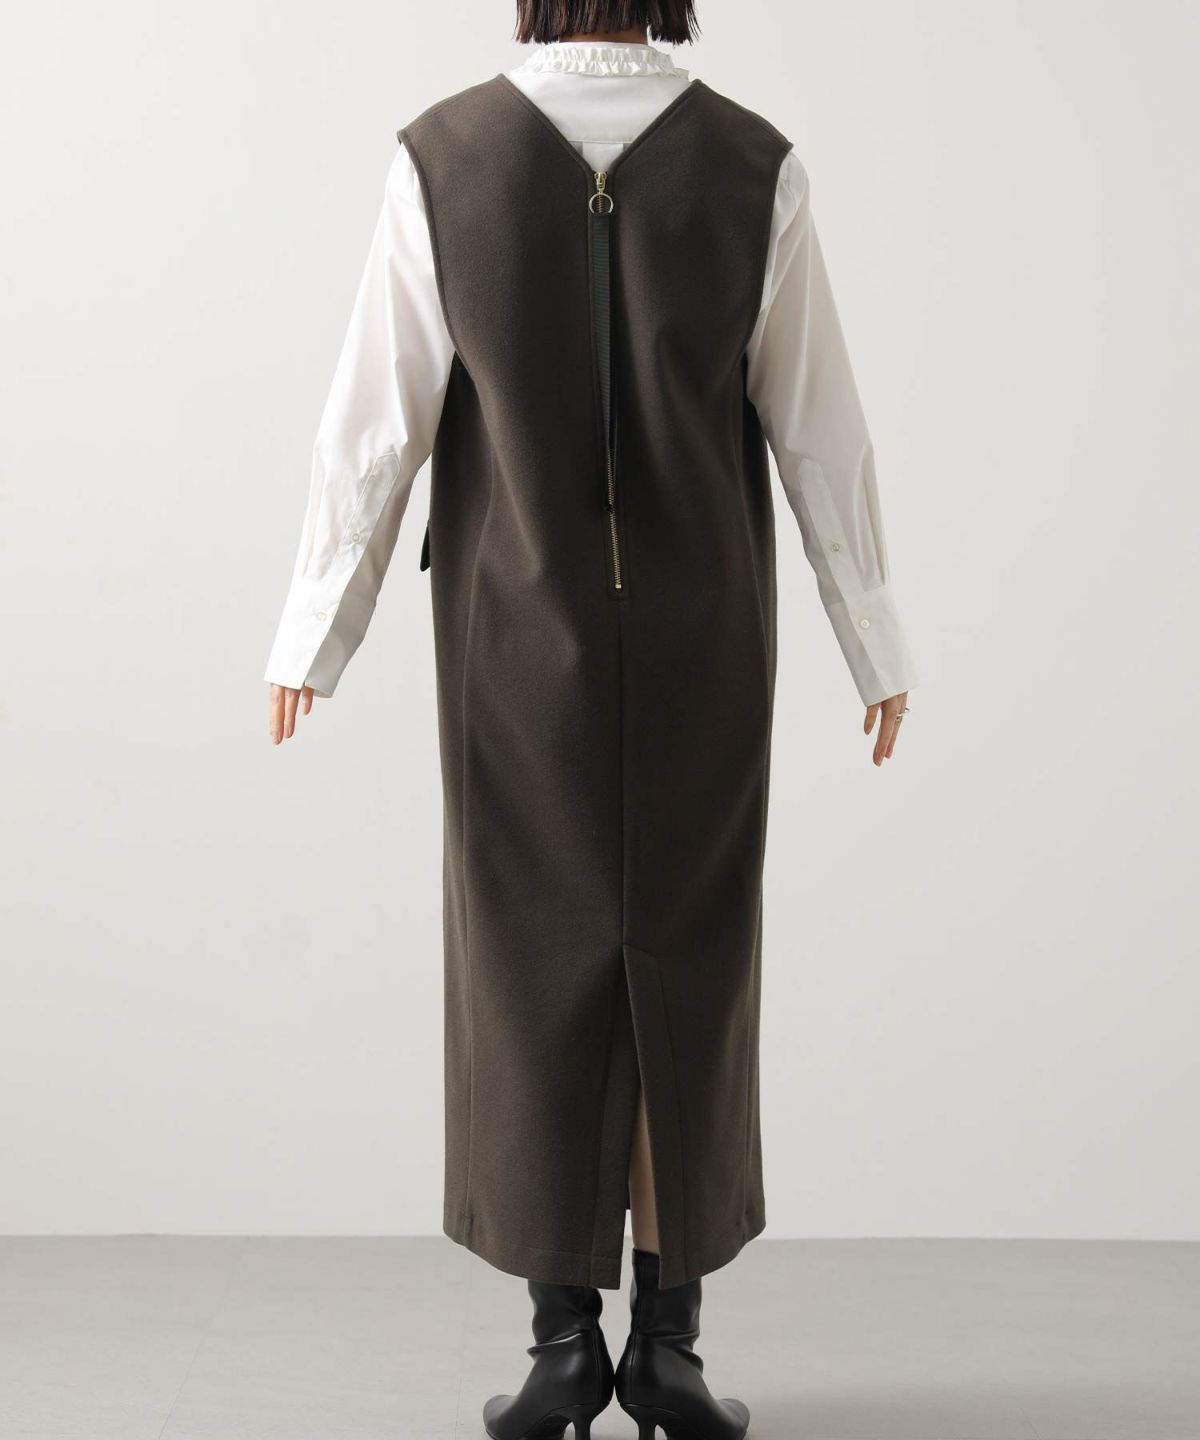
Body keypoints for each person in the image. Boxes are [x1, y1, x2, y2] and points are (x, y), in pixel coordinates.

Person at [264, 4, 918, 1437]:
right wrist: (870, 635)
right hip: (706, 640)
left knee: (527, 967)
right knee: (693, 961)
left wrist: (315, 628)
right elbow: (820, 426)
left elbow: (374, 422)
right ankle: (668, 1350)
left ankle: (562, 1343)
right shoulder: (753, 165)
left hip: (511, 644)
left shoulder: (444, 159)